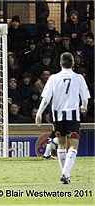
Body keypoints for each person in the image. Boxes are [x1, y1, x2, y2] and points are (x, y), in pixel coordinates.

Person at [36, 52, 90, 184]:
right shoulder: (78, 78)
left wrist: (39, 113)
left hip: (57, 115)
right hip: (72, 114)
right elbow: (84, 97)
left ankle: (65, 174)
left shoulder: (53, 78)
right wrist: (83, 106)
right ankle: (65, 174)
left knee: (61, 144)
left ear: (60, 63)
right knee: (73, 145)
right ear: (73, 63)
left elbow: (46, 98)